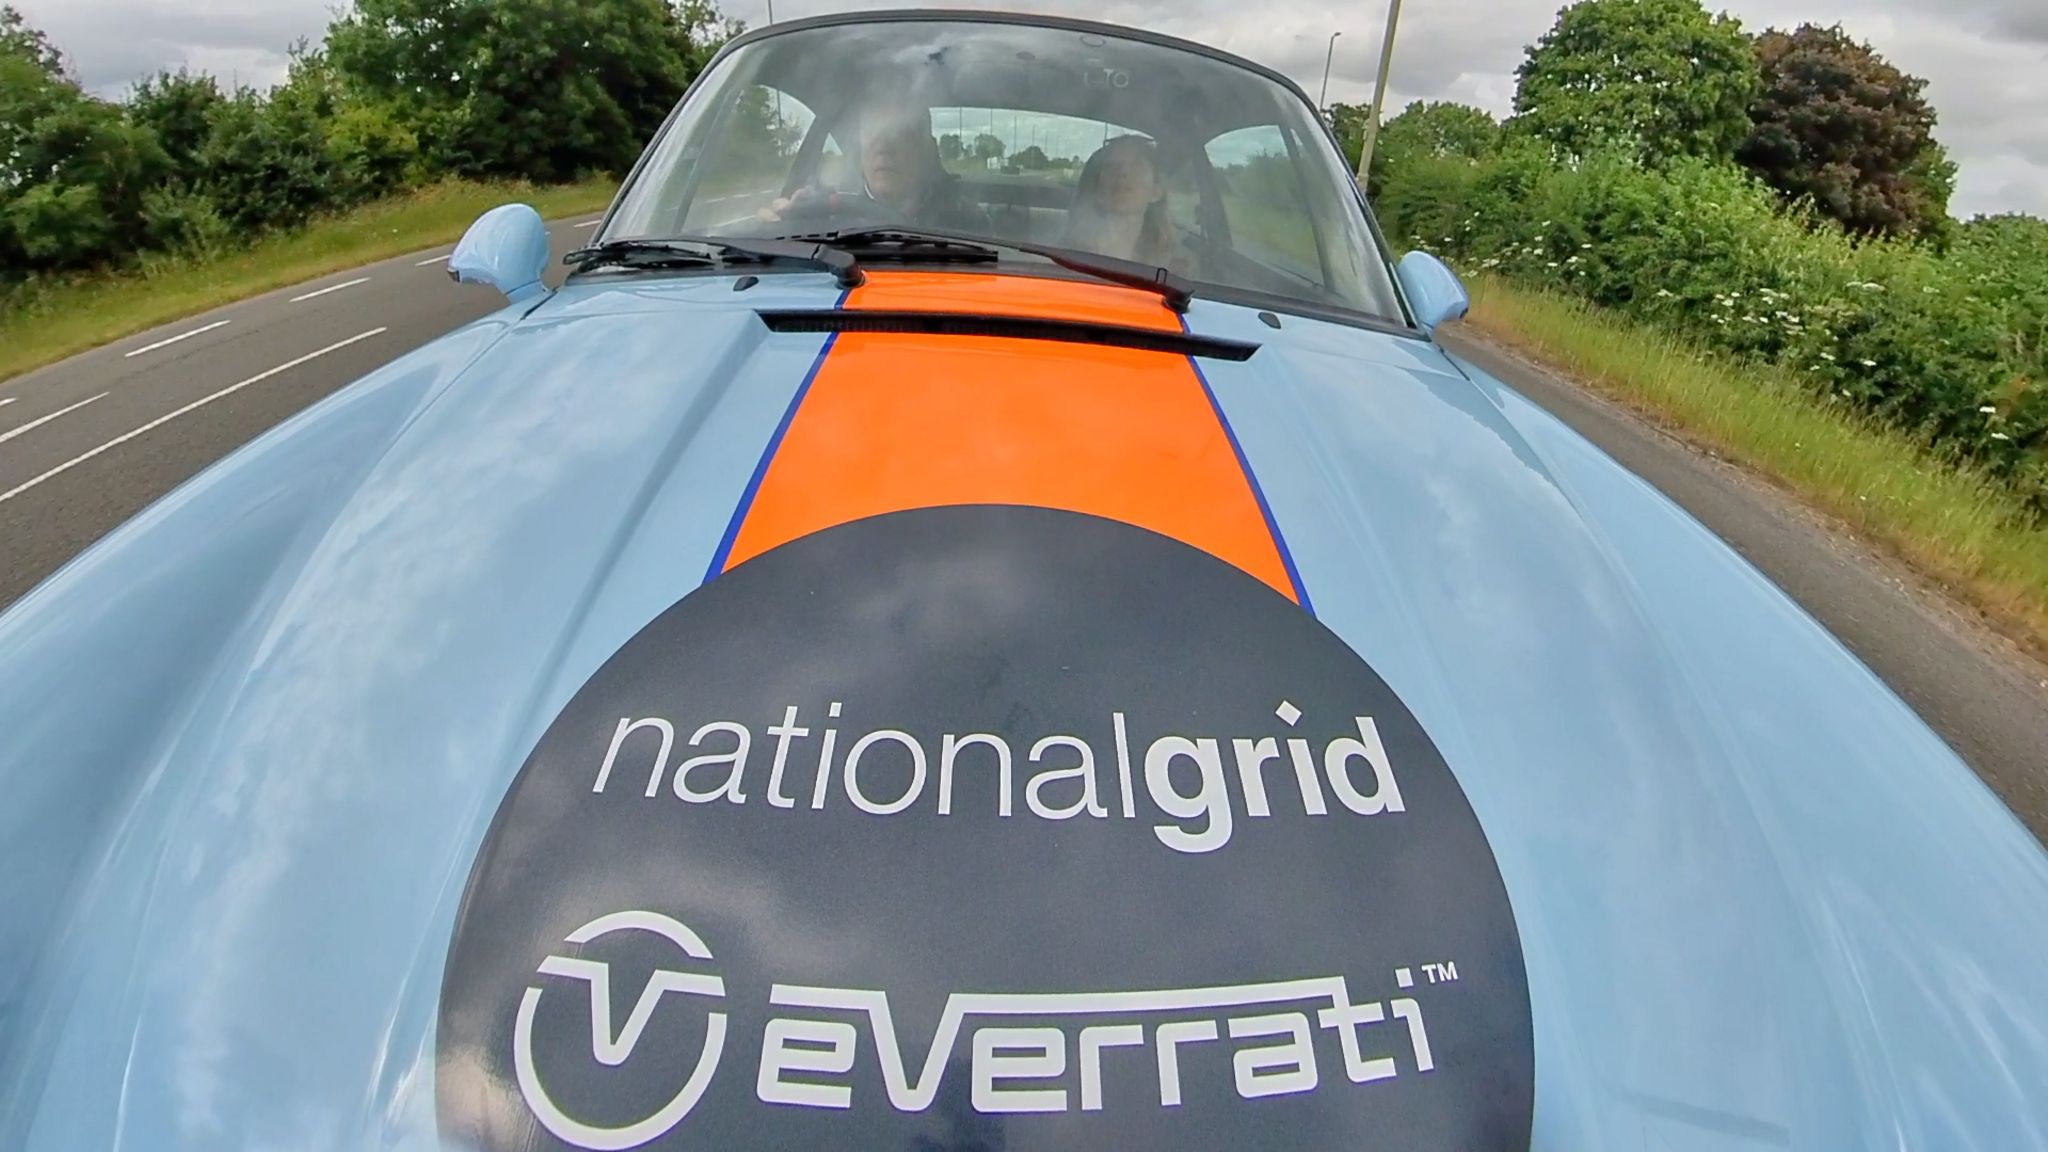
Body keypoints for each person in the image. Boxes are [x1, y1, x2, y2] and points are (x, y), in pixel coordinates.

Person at [759, 91, 988, 233]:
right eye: (872, 133)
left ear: (928, 150)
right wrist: (779, 230)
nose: (883, 147)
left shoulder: (966, 224)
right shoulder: (823, 214)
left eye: (898, 132)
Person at [1063, 135, 1177, 267]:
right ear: (1097, 190)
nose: (1122, 172)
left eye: (1137, 165)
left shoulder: (1173, 270)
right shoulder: (1061, 258)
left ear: (1156, 192)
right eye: (1111, 165)